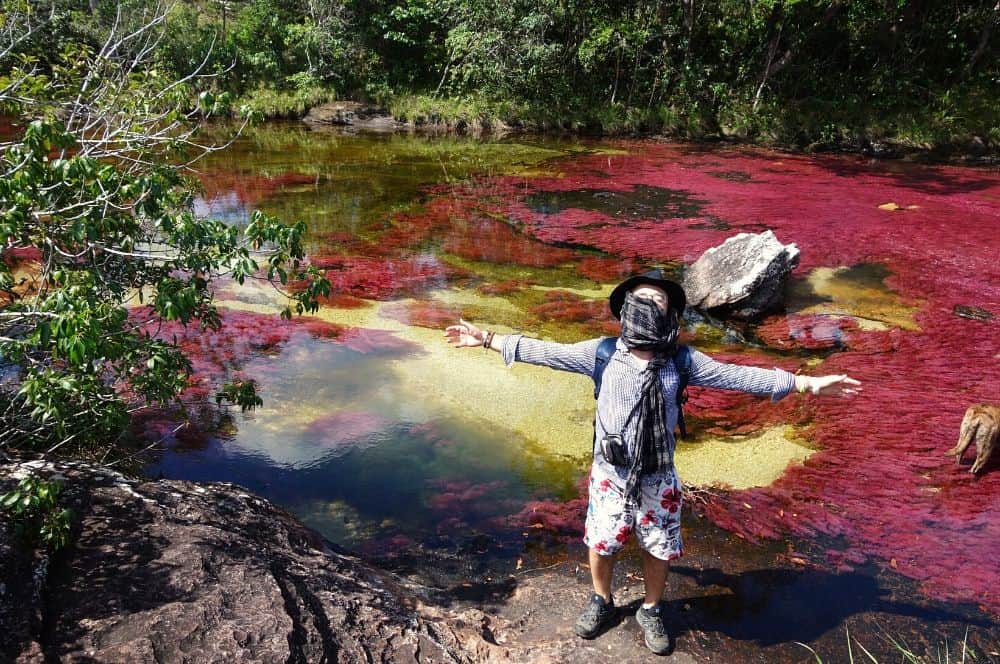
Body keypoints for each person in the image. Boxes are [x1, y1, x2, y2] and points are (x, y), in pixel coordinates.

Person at [444, 269, 860, 655]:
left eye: (656, 300)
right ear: (624, 309)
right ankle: (602, 600)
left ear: (671, 313)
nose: (646, 304)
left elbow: (739, 376)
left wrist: (805, 383)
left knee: (658, 546)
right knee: (602, 541)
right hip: (611, 474)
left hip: (658, 476)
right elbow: (544, 351)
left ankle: (652, 608)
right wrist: (486, 339)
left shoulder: (682, 361)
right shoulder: (602, 354)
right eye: (638, 298)